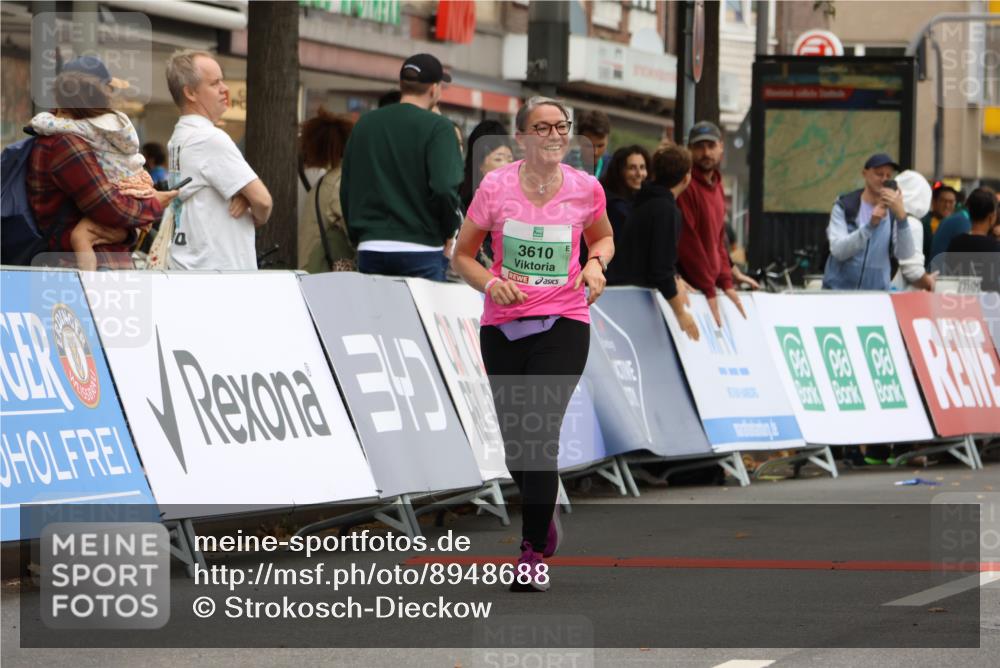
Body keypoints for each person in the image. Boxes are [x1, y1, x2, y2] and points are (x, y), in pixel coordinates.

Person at [451, 96, 614, 592]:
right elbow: (463, 255)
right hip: (502, 326)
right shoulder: (495, 187)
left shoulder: (586, 189)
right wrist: (488, 283)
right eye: (542, 127)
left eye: (561, 126)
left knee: (539, 434)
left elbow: (603, 238)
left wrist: (594, 264)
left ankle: (529, 552)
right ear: (521, 138)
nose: (554, 135)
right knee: (517, 447)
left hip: (564, 322)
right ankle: (544, 513)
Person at [26, 58, 174, 269]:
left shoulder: (63, 133)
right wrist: (154, 205)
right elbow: (108, 206)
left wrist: (125, 233)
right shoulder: (66, 143)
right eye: (105, 90)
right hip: (89, 269)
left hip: (88, 264)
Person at [340, 53, 463, 281]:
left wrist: (359, 235)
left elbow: (347, 186)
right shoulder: (439, 128)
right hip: (422, 246)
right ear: (434, 89)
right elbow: (445, 187)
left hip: (372, 245)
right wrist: (449, 230)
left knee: (378, 316)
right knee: (419, 316)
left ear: (401, 85)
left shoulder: (365, 124)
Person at [165, 50, 272, 270]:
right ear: (191, 93)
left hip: (192, 268)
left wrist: (244, 194)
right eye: (215, 83)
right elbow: (263, 201)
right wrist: (255, 210)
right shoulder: (209, 138)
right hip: (219, 276)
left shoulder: (179, 137)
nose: (225, 89)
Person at [608, 144, 699, 341]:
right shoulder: (665, 210)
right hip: (632, 306)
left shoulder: (644, 202)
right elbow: (661, 269)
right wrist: (681, 313)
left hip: (618, 298)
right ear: (686, 178)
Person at [676, 121, 745, 326]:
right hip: (692, 293)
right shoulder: (687, 187)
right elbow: (688, 244)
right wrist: (710, 289)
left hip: (708, 290)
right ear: (689, 150)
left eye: (711, 146)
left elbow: (718, 242)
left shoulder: (717, 184)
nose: (706, 153)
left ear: (721, 147)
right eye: (699, 147)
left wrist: (726, 282)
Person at [820, 153, 914, 291]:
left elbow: (905, 254)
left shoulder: (893, 211)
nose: (884, 179)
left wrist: (902, 217)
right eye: (879, 174)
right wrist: (870, 226)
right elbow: (838, 250)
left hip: (876, 295)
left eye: (889, 176)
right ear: (865, 173)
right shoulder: (845, 206)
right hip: (839, 293)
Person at [298, 107, 355, 272]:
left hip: (313, 270)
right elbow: (353, 228)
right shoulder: (340, 181)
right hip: (325, 276)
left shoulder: (326, 181)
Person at [941, 187, 1000, 292]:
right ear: (991, 217)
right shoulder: (995, 247)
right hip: (988, 306)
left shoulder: (955, 243)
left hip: (959, 304)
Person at [893, 171, 937, 291]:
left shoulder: (886, 217)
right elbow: (912, 270)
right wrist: (928, 281)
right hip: (898, 296)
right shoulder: (911, 223)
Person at [599, 145, 650, 243]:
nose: (639, 173)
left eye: (642, 167)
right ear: (619, 171)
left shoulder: (637, 200)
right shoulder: (617, 208)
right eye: (632, 168)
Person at [922, 184, 957, 268]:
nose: (947, 206)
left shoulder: (958, 224)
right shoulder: (924, 223)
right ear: (934, 202)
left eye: (951, 202)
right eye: (943, 201)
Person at [575, 109, 611, 178]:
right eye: (589, 146)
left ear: (608, 140)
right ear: (578, 140)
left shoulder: (613, 168)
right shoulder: (563, 164)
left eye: (600, 146)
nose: (595, 152)